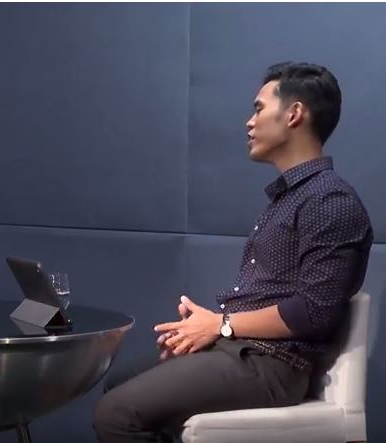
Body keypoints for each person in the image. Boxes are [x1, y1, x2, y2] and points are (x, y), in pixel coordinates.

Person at [92, 62, 373, 442]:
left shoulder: (330, 201)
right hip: (240, 349)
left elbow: (314, 312)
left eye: (258, 109)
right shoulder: (291, 197)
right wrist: (206, 328)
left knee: (116, 414)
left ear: (294, 114)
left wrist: (220, 324)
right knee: (119, 383)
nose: (249, 122)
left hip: (274, 364)